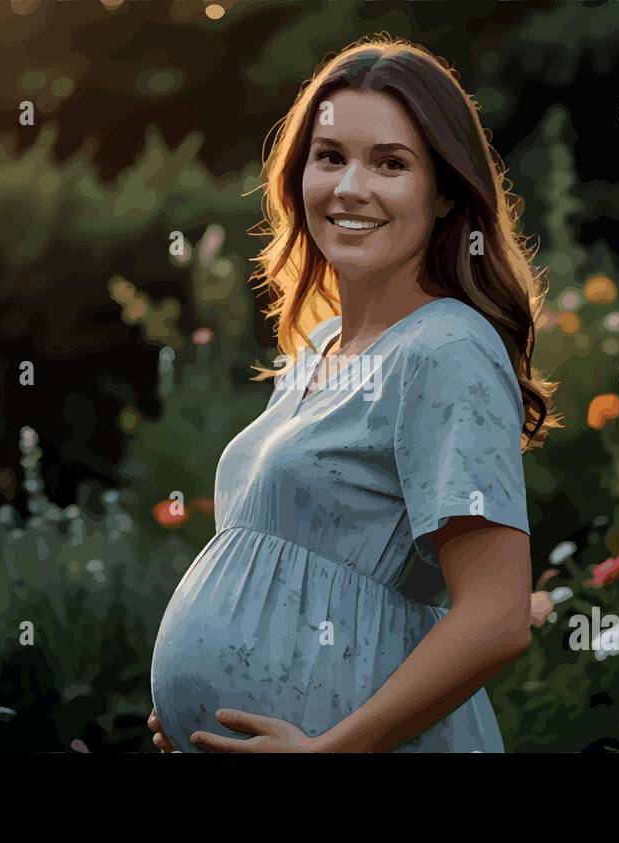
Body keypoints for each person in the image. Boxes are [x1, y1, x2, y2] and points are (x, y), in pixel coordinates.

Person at [147, 34, 563, 753]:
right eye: (331, 156)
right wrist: (194, 705)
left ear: (442, 193)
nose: (350, 187)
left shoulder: (446, 349)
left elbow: (498, 615)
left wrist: (326, 750)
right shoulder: (319, 345)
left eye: (391, 164)